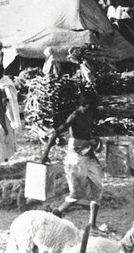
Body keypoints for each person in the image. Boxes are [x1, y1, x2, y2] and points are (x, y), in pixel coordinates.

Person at [41, 89, 105, 230]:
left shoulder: (90, 114)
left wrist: (94, 154)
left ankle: (92, 224)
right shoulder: (75, 115)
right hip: (75, 157)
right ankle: (56, 214)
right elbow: (57, 132)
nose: (92, 108)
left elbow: (87, 136)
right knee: (77, 193)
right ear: (84, 103)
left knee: (98, 188)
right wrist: (45, 154)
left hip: (87, 155)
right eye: (90, 105)